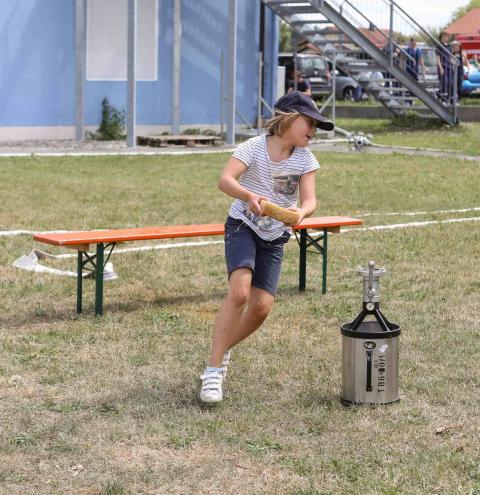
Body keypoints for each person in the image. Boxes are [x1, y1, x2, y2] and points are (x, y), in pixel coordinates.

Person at [199, 91, 334, 403]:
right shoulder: (254, 147)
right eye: (309, 123)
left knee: (260, 309)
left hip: (276, 236)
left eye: (316, 125)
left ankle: (222, 349)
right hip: (243, 225)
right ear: (287, 119)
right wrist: (249, 196)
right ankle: (213, 370)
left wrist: (302, 212)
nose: (312, 130)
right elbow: (225, 180)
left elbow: (310, 200)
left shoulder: (306, 159)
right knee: (240, 293)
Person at [437, 31, 452, 102]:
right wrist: (440, 68)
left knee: (449, 83)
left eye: (447, 36)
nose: (446, 38)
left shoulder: (449, 46)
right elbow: (438, 58)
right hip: (442, 67)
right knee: (444, 82)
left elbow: (451, 57)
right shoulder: (439, 46)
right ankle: (443, 99)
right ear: (441, 37)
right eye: (444, 36)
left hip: (449, 66)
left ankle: (439, 94)